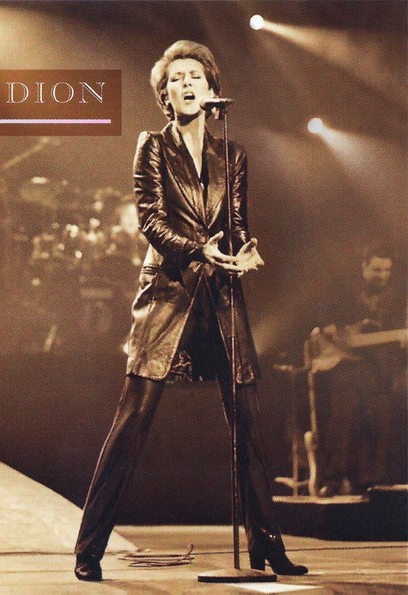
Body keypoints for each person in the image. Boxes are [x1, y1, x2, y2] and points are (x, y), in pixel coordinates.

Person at [74, 40, 308, 581]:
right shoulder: (153, 147)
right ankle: (89, 546)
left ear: (212, 90)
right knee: (133, 419)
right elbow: (150, 220)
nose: (185, 84)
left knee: (248, 420)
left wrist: (244, 252)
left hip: (221, 294)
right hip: (169, 290)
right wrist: (199, 249)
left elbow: (237, 223)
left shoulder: (233, 154)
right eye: (175, 79)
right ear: (164, 95)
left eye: (194, 77)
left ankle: (266, 544)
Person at [313, 242, 407, 496]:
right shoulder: (343, 293)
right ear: (364, 267)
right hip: (347, 366)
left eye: (387, 270)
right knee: (343, 415)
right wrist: (338, 334)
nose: (382, 276)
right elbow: (327, 326)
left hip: (381, 371)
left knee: (382, 418)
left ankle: (372, 483)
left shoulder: (397, 300)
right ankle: (332, 479)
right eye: (377, 270)